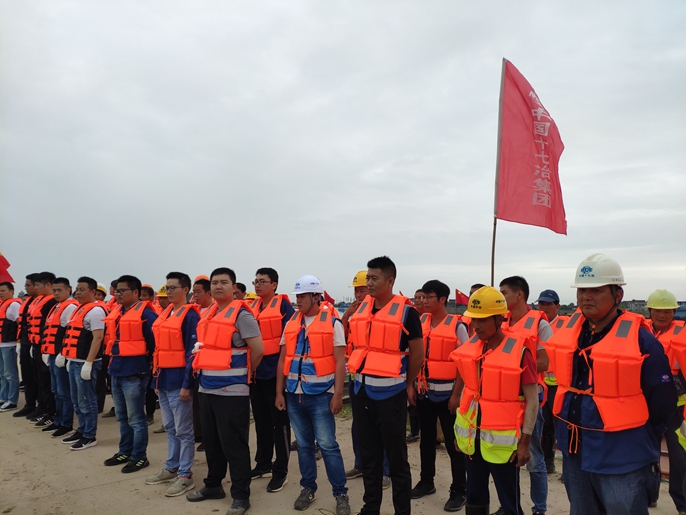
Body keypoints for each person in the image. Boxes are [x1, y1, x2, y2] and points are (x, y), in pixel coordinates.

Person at [547, 253, 676, 515]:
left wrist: (643, 438)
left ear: (617, 295)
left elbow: (662, 400)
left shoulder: (642, 342)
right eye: (582, 291)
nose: (586, 297)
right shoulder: (570, 335)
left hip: (622, 455)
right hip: (575, 450)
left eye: (596, 290)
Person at [449, 286, 539, 515]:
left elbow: (532, 401)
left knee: (509, 503)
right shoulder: (471, 349)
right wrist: (460, 435)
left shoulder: (520, 352)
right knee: (474, 498)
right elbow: (469, 395)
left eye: (483, 320)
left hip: (504, 447)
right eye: (473, 319)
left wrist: (525, 442)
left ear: (500, 319)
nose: (476, 325)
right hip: (473, 443)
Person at [347, 256, 424, 515]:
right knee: (369, 458)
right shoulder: (362, 309)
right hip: (361, 392)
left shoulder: (407, 313)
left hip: (390, 395)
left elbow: (417, 355)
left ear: (390, 281)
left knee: (397, 459)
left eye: (374, 278)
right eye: (367, 277)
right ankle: (371, 508)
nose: (368, 283)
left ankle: (402, 511)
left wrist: (408, 383)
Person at [187, 267, 264, 515]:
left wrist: (241, 374)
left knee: (234, 445)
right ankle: (213, 485)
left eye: (224, 282)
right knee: (212, 442)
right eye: (214, 283)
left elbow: (258, 350)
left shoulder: (242, 314)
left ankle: (241, 496)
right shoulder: (208, 313)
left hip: (232, 391)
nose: (218, 286)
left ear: (233, 287)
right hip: (207, 388)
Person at [275, 275, 350, 515]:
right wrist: (279, 392)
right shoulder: (291, 323)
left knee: (327, 445)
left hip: (320, 395)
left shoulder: (333, 323)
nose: (298, 301)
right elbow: (283, 359)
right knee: (304, 445)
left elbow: (340, 362)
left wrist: (337, 395)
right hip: (293, 394)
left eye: (302, 296)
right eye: (296, 296)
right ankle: (308, 487)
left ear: (316, 297)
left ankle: (340, 493)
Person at [410, 280, 468, 512]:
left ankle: (459, 490)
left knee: (454, 445)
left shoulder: (457, 326)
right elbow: (413, 357)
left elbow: (464, 363)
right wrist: (411, 386)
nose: (423, 301)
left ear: (442, 299)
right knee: (426, 440)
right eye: (422, 297)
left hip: (447, 396)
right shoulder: (420, 322)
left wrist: (456, 394)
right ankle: (427, 481)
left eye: (428, 297)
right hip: (423, 393)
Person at [499, 276, 551, 515]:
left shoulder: (540, 323)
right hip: (504, 399)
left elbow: (547, 361)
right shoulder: (501, 322)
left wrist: (515, 368)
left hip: (530, 398)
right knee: (507, 456)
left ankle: (539, 508)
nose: (501, 297)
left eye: (504, 293)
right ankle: (510, 506)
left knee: (534, 458)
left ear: (519, 295)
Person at [146, 272, 199, 495]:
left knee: (184, 430)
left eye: (172, 287)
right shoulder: (166, 312)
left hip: (179, 382)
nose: (168, 292)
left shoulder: (190, 316)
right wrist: (156, 380)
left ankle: (185, 475)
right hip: (163, 379)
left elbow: (191, 354)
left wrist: (187, 384)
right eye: (166, 287)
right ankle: (171, 467)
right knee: (170, 427)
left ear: (185, 290)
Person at [103, 275, 158, 474]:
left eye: (122, 291)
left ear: (135, 292)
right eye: (116, 291)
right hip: (116, 370)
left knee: (136, 418)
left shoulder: (146, 314)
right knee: (122, 416)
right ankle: (124, 451)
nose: (118, 294)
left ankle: (139, 456)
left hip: (135, 372)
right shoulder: (118, 312)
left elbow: (154, 343)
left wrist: (147, 367)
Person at [341, 271, 391, 488]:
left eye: (361, 290)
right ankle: (361, 464)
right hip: (357, 378)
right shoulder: (355, 315)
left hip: (380, 379)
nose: (358, 295)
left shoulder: (382, 314)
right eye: (356, 291)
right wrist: (345, 316)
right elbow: (340, 339)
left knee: (382, 427)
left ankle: (385, 471)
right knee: (359, 426)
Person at [248, 267, 294, 492]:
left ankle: (281, 470)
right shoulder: (252, 307)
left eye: (262, 281)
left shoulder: (283, 307)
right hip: (256, 373)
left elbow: (290, 341)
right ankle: (263, 463)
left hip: (276, 374)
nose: (257, 285)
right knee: (261, 422)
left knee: (280, 424)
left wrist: (281, 385)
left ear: (274, 285)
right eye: (255, 281)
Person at [645, 289, 686, 514]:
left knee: (678, 456)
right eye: (658, 311)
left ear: (674, 313)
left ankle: (681, 503)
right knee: (647, 452)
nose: (662, 315)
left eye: (668, 311)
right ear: (650, 311)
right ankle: (650, 495)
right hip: (647, 403)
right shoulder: (640, 332)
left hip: (675, 405)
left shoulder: (683, 333)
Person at [60, 276, 107, 450]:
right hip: (74, 361)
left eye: (82, 290)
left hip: (86, 363)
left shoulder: (96, 311)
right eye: (77, 289)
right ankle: (81, 430)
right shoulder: (79, 309)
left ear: (93, 292)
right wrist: (66, 357)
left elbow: (98, 338)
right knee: (76, 400)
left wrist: (89, 362)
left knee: (87, 400)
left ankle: (89, 435)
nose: (77, 293)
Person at [534, 289, 567, 475]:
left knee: (561, 424)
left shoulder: (566, 326)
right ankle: (548, 462)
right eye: (541, 304)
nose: (544, 307)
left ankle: (568, 467)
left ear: (557, 306)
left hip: (560, 384)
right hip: (541, 382)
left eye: (548, 304)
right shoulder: (535, 324)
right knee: (545, 425)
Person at [39, 277, 78, 436]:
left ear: (68, 289)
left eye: (59, 290)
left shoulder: (70, 307)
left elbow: (69, 332)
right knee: (55, 389)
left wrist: (63, 353)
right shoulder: (56, 306)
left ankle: (66, 423)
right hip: (52, 353)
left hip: (61, 354)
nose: (56, 293)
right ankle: (58, 420)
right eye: (54, 290)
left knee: (63, 391)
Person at [28, 272, 58, 427]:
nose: (36, 287)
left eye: (38, 285)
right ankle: (43, 408)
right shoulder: (39, 300)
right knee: (39, 379)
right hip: (37, 344)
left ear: (48, 285)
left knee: (47, 381)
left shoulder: (51, 302)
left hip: (46, 346)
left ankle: (50, 412)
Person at [191, 275, 214, 451]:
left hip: (209, 364)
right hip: (194, 362)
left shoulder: (215, 311)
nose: (195, 295)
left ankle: (208, 438)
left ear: (209, 293)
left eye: (199, 292)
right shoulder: (193, 311)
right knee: (196, 402)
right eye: (194, 292)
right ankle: (198, 433)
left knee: (206, 404)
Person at [13, 273, 40, 418]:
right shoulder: (28, 302)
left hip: (36, 344)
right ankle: (29, 404)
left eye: (28, 285)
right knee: (27, 375)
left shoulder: (45, 303)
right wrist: (19, 342)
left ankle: (42, 407)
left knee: (39, 377)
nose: (26, 288)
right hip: (25, 342)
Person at [405, 288, 426, 444]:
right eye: (416, 297)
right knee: (411, 402)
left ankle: (431, 434)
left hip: (428, 370)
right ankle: (414, 431)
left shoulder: (430, 319)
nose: (418, 300)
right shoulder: (410, 316)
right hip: (413, 367)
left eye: (421, 297)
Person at [0, 282, 21, 412]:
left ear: (11, 291)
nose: (1, 293)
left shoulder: (14, 305)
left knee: (10, 374)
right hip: (1, 344)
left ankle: (12, 400)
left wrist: (19, 342)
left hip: (9, 344)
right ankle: (3, 397)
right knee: (2, 373)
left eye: (3, 290)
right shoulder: (1, 304)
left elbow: (20, 324)